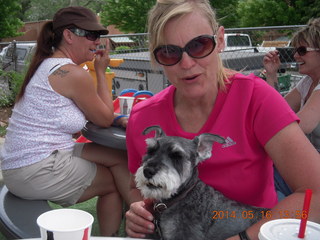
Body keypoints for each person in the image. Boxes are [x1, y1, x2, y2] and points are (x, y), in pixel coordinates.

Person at [124, 0, 320, 239]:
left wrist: (243, 238)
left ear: (220, 40)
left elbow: (315, 192)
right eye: (169, 52)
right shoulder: (142, 116)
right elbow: (137, 188)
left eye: (199, 45)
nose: (186, 63)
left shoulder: (256, 99)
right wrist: (138, 211)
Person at [0, 6, 130, 236]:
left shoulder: (48, 65)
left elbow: (97, 114)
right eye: (90, 35)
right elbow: (104, 117)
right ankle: (142, 220)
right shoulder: (72, 74)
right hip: (33, 168)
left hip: (32, 159)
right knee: (112, 183)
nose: (97, 41)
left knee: (119, 157)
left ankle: (141, 213)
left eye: (99, 35)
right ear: (69, 36)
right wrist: (101, 71)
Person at [263, 18, 320, 151]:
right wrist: (271, 74)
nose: (295, 55)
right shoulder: (307, 82)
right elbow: (278, 109)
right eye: (295, 50)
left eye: (302, 51)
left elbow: (301, 126)